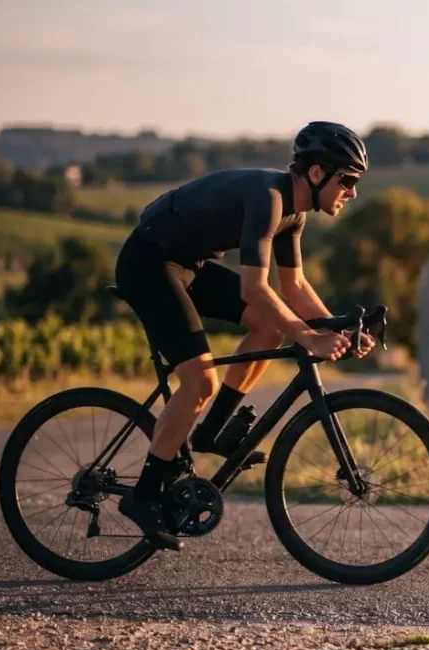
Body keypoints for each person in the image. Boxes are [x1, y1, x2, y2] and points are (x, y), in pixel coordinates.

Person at [113, 121, 376, 551]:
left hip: (187, 263)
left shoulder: (295, 215)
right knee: (199, 382)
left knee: (271, 324)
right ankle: (143, 496)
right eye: (347, 180)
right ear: (316, 174)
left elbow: (293, 288)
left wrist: (336, 327)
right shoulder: (270, 199)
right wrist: (308, 338)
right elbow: (254, 288)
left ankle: (213, 430)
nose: (352, 191)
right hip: (149, 263)